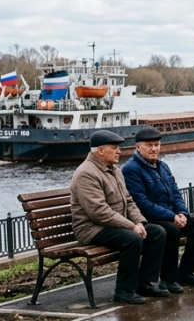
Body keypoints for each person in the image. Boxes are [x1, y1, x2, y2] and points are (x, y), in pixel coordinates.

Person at [70, 130, 167, 304]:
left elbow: (129, 201)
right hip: (90, 229)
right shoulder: (87, 173)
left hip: (112, 224)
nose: (119, 152)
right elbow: (99, 212)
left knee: (157, 232)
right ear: (100, 151)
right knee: (132, 239)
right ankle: (123, 291)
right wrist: (131, 226)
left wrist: (139, 221)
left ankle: (143, 283)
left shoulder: (114, 169)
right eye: (114, 148)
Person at [121, 126, 194, 294]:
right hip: (150, 217)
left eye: (157, 144)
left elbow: (176, 193)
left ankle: (185, 273)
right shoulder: (131, 169)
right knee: (171, 230)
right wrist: (172, 217)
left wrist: (182, 213)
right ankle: (167, 280)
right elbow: (141, 203)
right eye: (149, 145)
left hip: (169, 214)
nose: (154, 149)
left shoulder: (163, 166)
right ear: (138, 147)